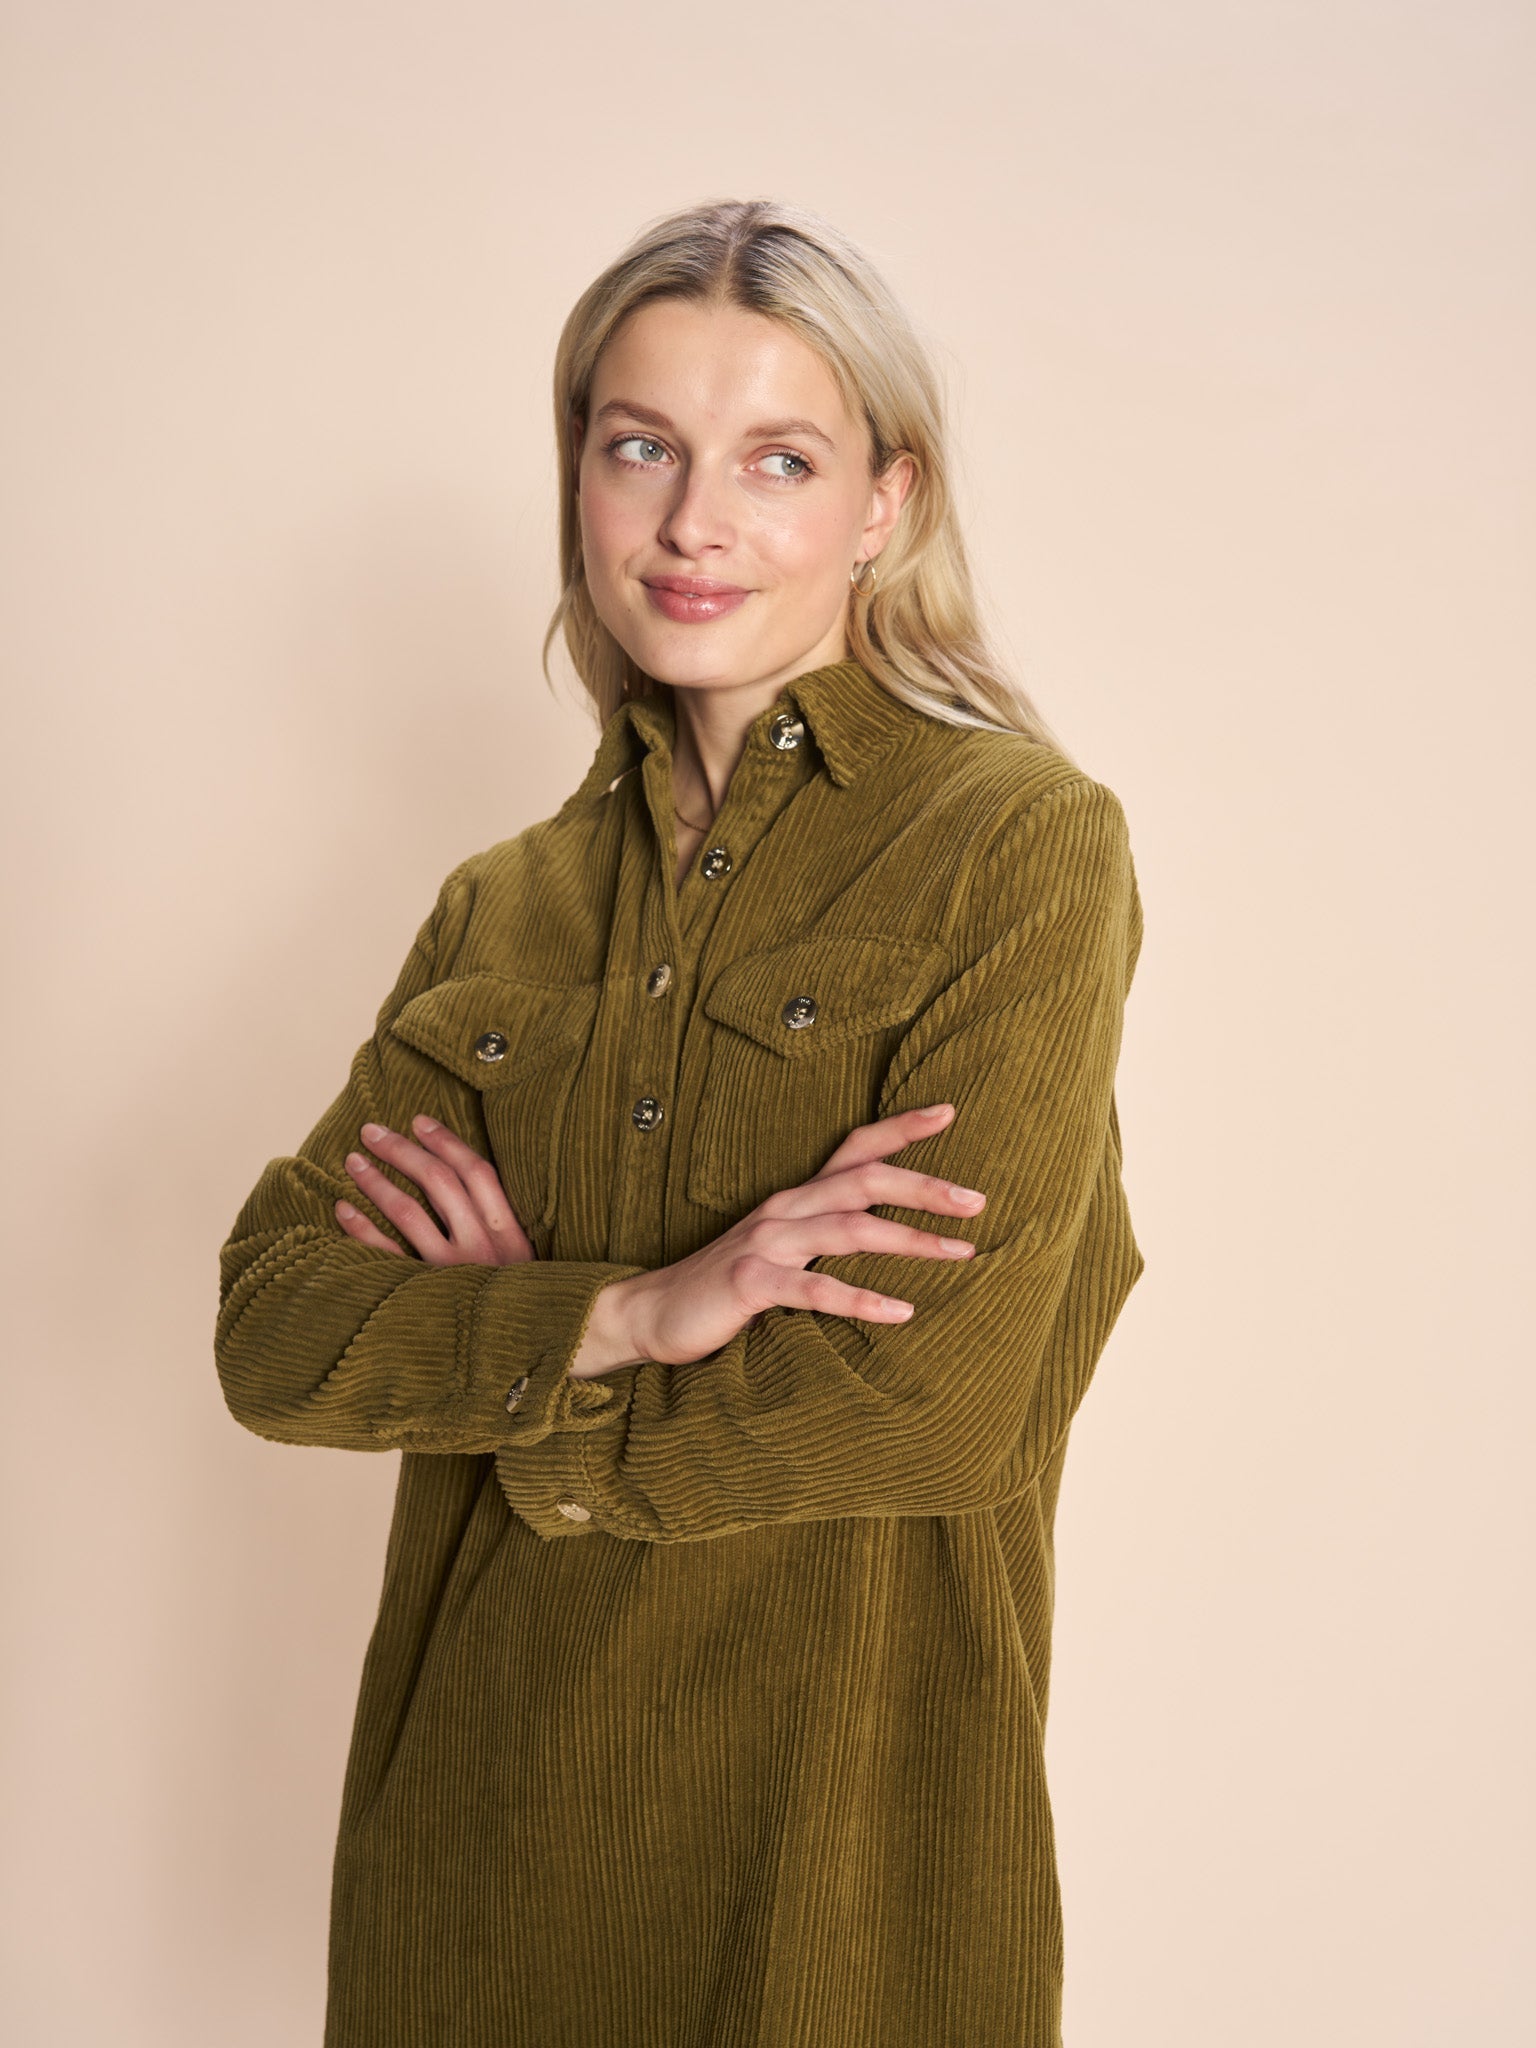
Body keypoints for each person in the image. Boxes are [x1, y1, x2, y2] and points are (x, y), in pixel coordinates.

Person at [216, 195, 1147, 2048]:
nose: (694, 523)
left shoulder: (1020, 849)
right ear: (578, 473)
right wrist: (630, 1310)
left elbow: (925, 1404)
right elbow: (273, 1329)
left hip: (836, 1909)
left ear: (885, 502)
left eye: (777, 460)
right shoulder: (505, 908)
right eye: (641, 446)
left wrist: (517, 1398)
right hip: (465, 1892)